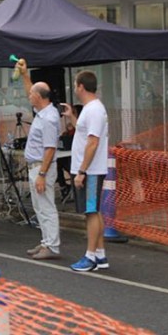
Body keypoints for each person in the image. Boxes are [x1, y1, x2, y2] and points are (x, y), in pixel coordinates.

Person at [61, 71, 109, 272]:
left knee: (90, 212)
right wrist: (72, 116)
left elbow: (93, 142)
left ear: (81, 86)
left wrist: (82, 171)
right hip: (89, 169)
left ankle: (90, 256)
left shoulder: (94, 110)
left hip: (90, 170)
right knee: (93, 211)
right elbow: (85, 135)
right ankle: (99, 254)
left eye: (75, 84)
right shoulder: (91, 109)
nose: (74, 87)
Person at [16, 58, 62, 259]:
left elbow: (50, 149)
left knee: (46, 207)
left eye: (32, 94)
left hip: (42, 168)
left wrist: (42, 174)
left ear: (40, 97)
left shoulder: (50, 118)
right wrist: (26, 75)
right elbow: (30, 89)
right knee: (39, 207)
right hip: (36, 167)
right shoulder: (42, 112)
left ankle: (52, 245)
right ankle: (46, 241)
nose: (29, 96)